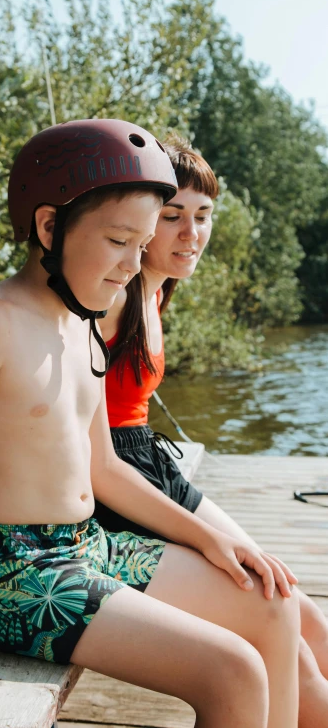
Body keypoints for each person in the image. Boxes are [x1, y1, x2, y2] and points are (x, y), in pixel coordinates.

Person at [0, 120, 300, 728]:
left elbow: (103, 467)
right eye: (118, 242)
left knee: (273, 603)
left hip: (89, 546)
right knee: (233, 669)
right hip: (10, 569)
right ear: (49, 226)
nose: (134, 266)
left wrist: (209, 537)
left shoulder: (83, 325)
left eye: (142, 246)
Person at [97, 135, 328, 726]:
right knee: (286, 626)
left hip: (150, 464)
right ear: (143, 221)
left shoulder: (152, 290)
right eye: (171, 217)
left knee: (309, 620)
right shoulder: (115, 294)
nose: (190, 233)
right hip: (121, 488)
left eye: (202, 217)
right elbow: (91, 444)